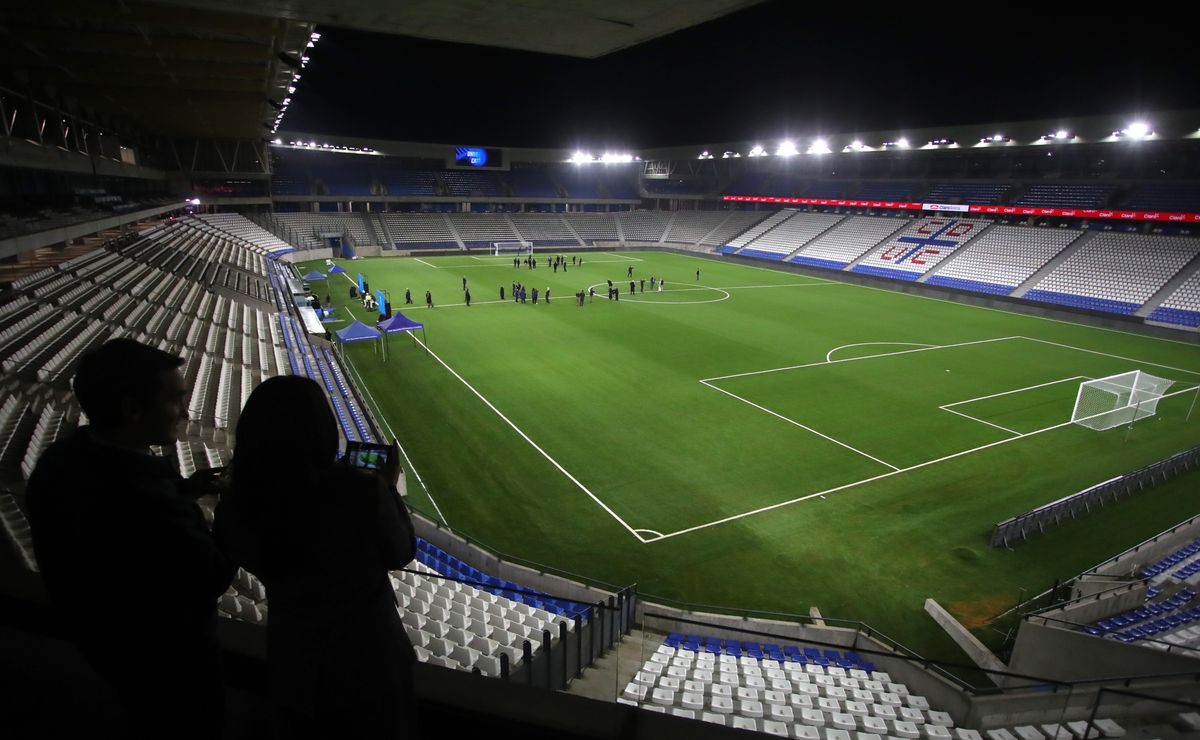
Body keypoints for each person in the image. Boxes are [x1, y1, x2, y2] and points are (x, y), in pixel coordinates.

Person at [26, 339, 234, 739]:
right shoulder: (145, 499)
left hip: (105, 650)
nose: (186, 412)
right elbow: (213, 574)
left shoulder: (60, 461)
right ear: (132, 408)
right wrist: (233, 506)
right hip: (169, 668)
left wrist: (186, 490)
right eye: (175, 399)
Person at [214, 377, 416, 739]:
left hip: (294, 654)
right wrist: (386, 489)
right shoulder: (357, 490)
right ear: (321, 430)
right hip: (369, 658)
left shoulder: (236, 505)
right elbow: (401, 551)